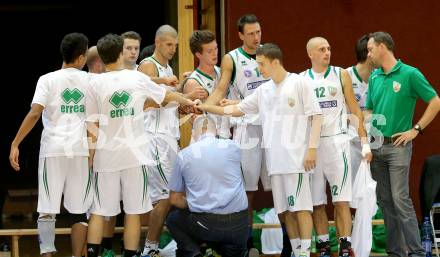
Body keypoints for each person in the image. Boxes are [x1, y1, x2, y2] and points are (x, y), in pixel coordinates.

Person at [197, 43, 323, 257]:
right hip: (275, 162)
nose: (259, 69)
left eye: (262, 65)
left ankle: (304, 253)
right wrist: (207, 107)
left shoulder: (300, 83)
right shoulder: (263, 90)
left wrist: (312, 149)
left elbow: (316, 116)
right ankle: (296, 251)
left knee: (301, 208)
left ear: (275, 62)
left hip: (297, 161)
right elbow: (236, 109)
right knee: (285, 211)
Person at [85, 33, 195, 257]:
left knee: (99, 211)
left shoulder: (93, 83)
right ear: (119, 53)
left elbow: (92, 125)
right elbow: (167, 97)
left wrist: (89, 157)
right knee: (133, 212)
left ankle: (93, 253)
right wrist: (190, 101)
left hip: (105, 157)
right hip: (135, 157)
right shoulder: (136, 78)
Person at [9, 32, 92, 257]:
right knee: (79, 211)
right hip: (80, 151)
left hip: (53, 150)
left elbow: (35, 113)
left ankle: (47, 254)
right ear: (82, 56)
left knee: (47, 208)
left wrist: (16, 143)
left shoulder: (47, 79)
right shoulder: (91, 80)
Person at [366, 31, 440, 257]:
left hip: (398, 147)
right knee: (385, 202)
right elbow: (369, 109)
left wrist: (416, 130)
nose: (368, 54)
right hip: (376, 146)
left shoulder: (409, 74)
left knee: (400, 198)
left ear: (382, 47)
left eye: (370, 49)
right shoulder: (374, 77)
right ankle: (395, 252)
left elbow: (435, 101)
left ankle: (417, 252)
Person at [204, 14, 270, 252]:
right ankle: (247, 243)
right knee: (247, 191)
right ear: (241, 35)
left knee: (283, 186)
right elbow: (221, 88)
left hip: (273, 128)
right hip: (247, 128)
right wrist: (205, 107)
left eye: (259, 32)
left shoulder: (270, 53)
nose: (256, 37)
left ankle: (290, 244)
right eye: (251, 33)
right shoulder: (232, 58)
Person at [300, 37, 372, 257]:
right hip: (313, 145)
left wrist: (365, 142)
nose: (327, 52)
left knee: (341, 200)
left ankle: (345, 247)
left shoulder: (341, 74)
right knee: (317, 203)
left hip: (337, 141)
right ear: (310, 54)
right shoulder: (301, 79)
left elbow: (355, 110)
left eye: (329, 48)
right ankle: (323, 247)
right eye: (322, 49)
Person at [137, 24, 190, 257]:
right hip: (155, 139)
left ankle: (155, 246)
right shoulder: (149, 65)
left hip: (170, 138)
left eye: (176, 45)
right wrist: (183, 95)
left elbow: (168, 100)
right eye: (169, 45)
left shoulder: (168, 68)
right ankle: (149, 248)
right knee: (167, 196)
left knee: (170, 195)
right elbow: (145, 96)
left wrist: (181, 93)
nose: (173, 49)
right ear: (158, 43)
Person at [166, 115, 249, 257]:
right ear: (216, 130)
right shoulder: (234, 147)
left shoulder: (184, 156)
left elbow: (174, 199)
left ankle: (194, 253)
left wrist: (193, 203)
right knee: (232, 246)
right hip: (239, 224)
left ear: (193, 134)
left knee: (173, 220)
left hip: (205, 224)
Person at [182, 29, 230, 139]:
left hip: (226, 134)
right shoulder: (193, 82)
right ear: (198, 54)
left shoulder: (223, 72)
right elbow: (192, 118)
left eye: (216, 48)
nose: (215, 53)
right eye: (209, 51)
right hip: (206, 139)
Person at [346, 34, 374, 178]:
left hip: (376, 139)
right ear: (369, 54)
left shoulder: (380, 76)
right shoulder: (346, 76)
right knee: (352, 188)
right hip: (351, 141)